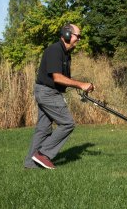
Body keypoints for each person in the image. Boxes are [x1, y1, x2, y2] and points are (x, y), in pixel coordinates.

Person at [24, 24, 94, 169]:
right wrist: (81, 84)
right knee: (67, 123)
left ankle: (30, 164)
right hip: (48, 92)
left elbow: (64, 79)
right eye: (77, 36)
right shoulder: (55, 50)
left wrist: (79, 87)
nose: (79, 39)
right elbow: (57, 78)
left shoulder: (66, 54)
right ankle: (43, 154)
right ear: (67, 35)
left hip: (48, 92)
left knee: (43, 129)